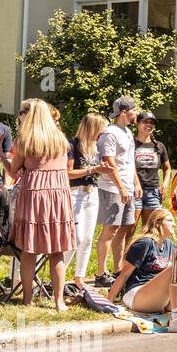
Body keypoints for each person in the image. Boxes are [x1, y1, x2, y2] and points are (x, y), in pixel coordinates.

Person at [9, 99, 74, 309]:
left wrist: (3, 158)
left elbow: (13, 171)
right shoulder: (60, 139)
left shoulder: (25, 140)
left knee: (29, 250)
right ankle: (58, 301)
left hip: (34, 195)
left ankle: (27, 299)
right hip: (58, 195)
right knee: (57, 250)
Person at [107, 209, 177, 331]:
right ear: (157, 223)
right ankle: (176, 320)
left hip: (160, 300)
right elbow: (124, 274)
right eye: (170, 220)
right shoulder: (145, 243)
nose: (174, 224)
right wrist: (108, 303)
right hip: (137, 295)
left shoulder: (169, 244)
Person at [95, 96, 140, 288]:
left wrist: (135, 183)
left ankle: (117, 269)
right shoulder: (110, 133)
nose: (136, 113)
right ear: (124, 112)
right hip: (112, 187)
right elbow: (109, 162)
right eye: (134, 109)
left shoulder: (127, 132)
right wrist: (121, 187)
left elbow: (129, 161)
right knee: (110, 230)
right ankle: (100, 273)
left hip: (127, 187)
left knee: (123, 230)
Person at [65, 112, 108, 293]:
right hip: (76, 194)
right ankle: (57, 275)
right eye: (101, 130)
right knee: (77, 238)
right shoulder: (72, 144)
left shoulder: (96, 147)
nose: (103, 134)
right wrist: (92, 169)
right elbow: (67, 173)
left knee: (88, 238)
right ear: (93, 128)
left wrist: (100, 170)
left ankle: (79, 278)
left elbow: (95, 171)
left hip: (92, 193)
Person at [133, 111, 171, 229]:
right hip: (134, 191)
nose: (149, 125)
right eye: (145, 122)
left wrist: (165, 184)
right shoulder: (130, 143)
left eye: (152, 123)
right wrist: (136, 184)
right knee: (129, 228)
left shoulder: (159, 146)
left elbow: (167, 168)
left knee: (150, 228)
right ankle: (127, 248)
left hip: (153, 191)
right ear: (137, 123)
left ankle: (145, 248)